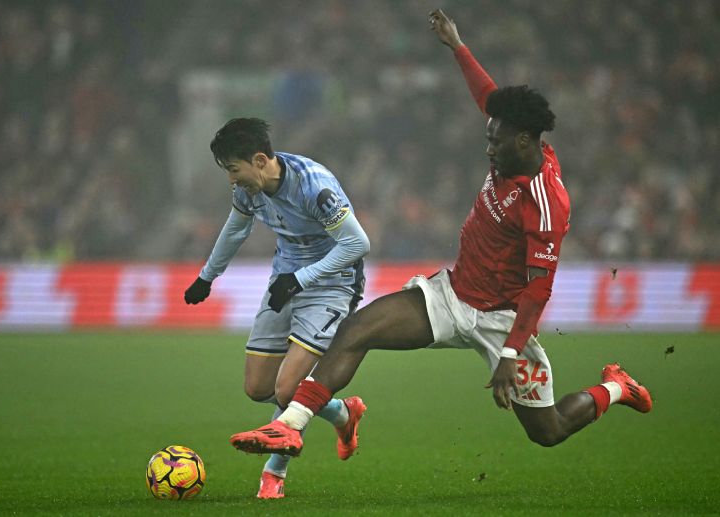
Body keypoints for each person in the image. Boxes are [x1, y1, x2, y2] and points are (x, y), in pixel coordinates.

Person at [229, 10, 652, 459]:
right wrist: (457, 46)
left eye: (497, 142)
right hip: (451, 296)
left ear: (526, 141)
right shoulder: (511, 147)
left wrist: (509, 356)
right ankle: (291, 427)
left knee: (548, 431)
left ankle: (615, 387)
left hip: (503, 322)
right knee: (357, 329)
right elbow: (488, 98)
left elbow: (537, 291)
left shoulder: (546, 202)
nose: (488, 149)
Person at [184, 118, 370, 498]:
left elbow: (357, 244)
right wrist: (207, 276)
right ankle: (340, 412)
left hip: (331, 285)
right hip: (285, 279)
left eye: (234, 171)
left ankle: (274, 475)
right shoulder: (250, 191)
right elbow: (236, 229)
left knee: (288, 389)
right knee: (257, 388)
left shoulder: (314, 187)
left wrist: (302, 279)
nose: (232, 181)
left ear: (258, 160)